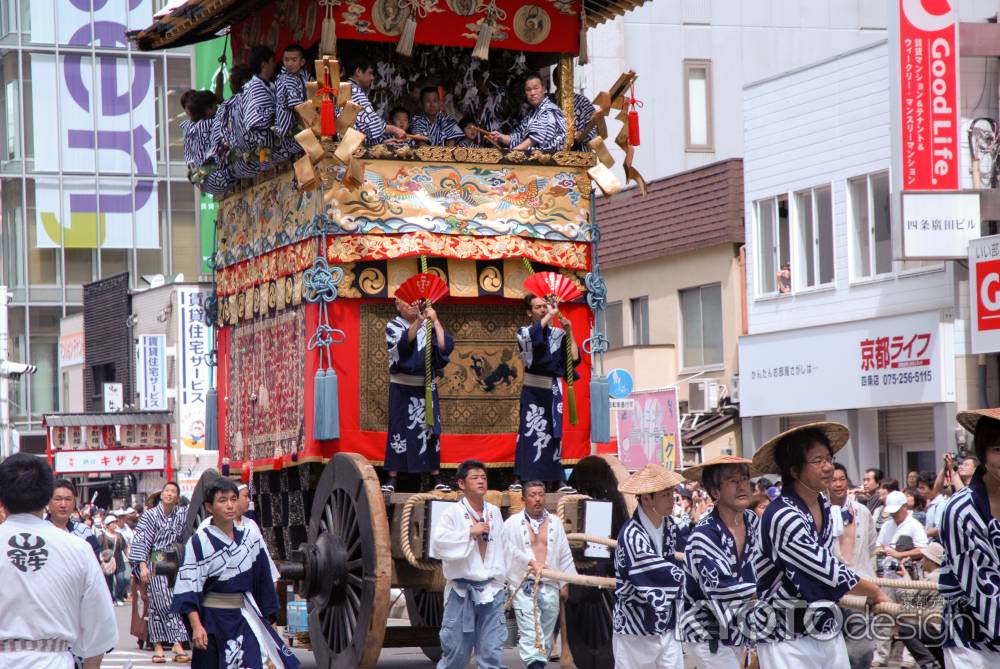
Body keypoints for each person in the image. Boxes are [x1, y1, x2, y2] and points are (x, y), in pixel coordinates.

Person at [750, 423, 889, 668]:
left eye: (829, 458)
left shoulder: (824, 507)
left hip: (824, 623)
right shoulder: (782, 515)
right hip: (785, 633)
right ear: (794, 470)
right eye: (817, 461)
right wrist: (874, 591)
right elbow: (825, 570)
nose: (828, 467)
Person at [0, 453, 118, 669]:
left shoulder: (79, 546)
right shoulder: (77, 549)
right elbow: (100, 627)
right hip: (53, 660)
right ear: (47, 499)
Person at [172, 477, 299, 669]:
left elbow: (263, 581)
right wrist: (197, 626)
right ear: (209, 506)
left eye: (233, 498)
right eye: (222, 500)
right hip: (211, 620)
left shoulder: (251, 539)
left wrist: (269, 619)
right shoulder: (198, 543)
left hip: (244, 615)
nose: (230, 505)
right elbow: (188, 587)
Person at [430, 460, 526, 669]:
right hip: (462, 592)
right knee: (456, 653)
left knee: (491, 651)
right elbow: (438, 544)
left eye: (483, 477)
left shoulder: (494, 511)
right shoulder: (452, 513)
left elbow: (504, 548)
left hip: (492, 590)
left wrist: (517, 576)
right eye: (475, 478)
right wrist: (469, 533)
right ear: (462, 484)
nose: (481, 481)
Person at [680, 455, 758, 669]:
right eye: (732, 480)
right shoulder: (703, 536)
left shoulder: (754, 522)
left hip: (742, 626)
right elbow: (721, 589)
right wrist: (767, 591)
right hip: (705, 629)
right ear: (715, 492)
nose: (742, 485)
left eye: (744, 478)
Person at [938, 409, 1000, 668]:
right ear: (983, 454)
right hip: (971, 643)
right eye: (998, 448)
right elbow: (982, 587)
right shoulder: (962, 509)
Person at [612, 464, 687, 669]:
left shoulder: (672, 526)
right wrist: (696, 579)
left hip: (668, 624)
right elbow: (656, 572)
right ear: (646, 498)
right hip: (635, 627)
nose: (672, 499)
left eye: (672, 493)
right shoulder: (631, 534)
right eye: (665, 495)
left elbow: (691, 548)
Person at [382, 295, 454, 493]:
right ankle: (392, 478)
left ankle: (435, 477)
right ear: (397, 304)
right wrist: (418, 322)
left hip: (425, 387)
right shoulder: (393, 326)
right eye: (407, 300)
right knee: (399, 429)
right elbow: (403, 346)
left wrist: (435, 320)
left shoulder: (429, 326)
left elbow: (444, 347)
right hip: (402, 387)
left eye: (414, 301)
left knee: (430, 431)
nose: (413, 304)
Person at [502, 480, 575, 669]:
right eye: (533, 495)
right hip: (524, 585)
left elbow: (564, 553)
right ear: (523, 499)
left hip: (550, 583)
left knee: (546, 634)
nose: (537, 499)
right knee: (530, 633)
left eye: (541, 494)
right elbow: (506, 550)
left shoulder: (555, 523)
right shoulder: (512, 523)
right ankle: (536, 666)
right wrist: (527, 564)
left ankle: (538, 664)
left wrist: (564, 583)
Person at [512, 295, 579, 493]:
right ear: (529, 312)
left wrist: (569, 330)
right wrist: (549, 316)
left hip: (552, 388)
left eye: (545, 306)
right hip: (533, 389)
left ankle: (557, 479)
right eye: (538, 307)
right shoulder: (523, 332)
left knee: (554, 433)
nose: (543, 309)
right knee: (529, 431)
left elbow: (573, 357)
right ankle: (520, 477)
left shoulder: (558, 333)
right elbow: (533, 339)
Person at [130, 481, 190, 664]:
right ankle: (177, 642)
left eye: (173, 492)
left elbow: (197, 514)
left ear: (177, 497)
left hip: (176, 558)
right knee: (165, 600)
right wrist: (142, 565)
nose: (170, 494)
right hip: (156, 558)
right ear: (162, 494)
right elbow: (141, 542)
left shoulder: (182, 514)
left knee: (157, 606)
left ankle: (158, 646)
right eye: (167, 491)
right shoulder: (149, 516)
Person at [828, 463, 878, 669]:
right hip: (831, 592)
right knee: (831, 651)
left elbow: (870, 547)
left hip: (862, 588)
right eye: (833, 480)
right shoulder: (816, 514)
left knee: (863, 651)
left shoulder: (863, 511)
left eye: (842, 479)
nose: (838, 484)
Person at [198, 482, 279, 582]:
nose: (249, 500)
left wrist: (271, 580)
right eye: (245, 496)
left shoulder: (251, 524)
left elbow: (263, 556)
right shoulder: (208, 525)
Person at [896, 543, 946, 669]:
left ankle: (928, 663)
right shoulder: (943, 575)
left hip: (937, 628)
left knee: (906, 630)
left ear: (931, 560)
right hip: (943, 628)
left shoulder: (934, 577)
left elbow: (906, 597)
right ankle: (933, 664)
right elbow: (920, 600)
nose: (921, 561)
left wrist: (905, 576)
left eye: (924, 558)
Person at [488, 74, 567, 152]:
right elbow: (519, 137)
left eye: (536, 88)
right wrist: (500, 136)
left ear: (543, 89)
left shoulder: (549, 109)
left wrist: (511, 153)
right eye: (528, 89)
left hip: (549, 161)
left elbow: (532, 140)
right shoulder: (531, 114)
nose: (532, 93)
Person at [233, 45, 280, 177]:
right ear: (264, 64)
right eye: (272, 61)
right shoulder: (254, 87)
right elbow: (256, 121)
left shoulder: (264, 85)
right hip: (262, 152)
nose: (275, 65)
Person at [343, 54, 407, 146]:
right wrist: (394, 129)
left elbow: (361, 127)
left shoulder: (345, 87)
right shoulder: (353, 90)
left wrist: (380, 143)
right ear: (358, 71)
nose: (372, 77)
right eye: (370, 73)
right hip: (348, 148)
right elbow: (370, 123)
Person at [207, 64, 250, 194]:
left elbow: (219, 99)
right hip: (254, 157)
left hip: (234, 165)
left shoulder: (227, 105)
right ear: (246, 81)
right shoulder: (250, 97)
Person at [47, 478, 101, 560]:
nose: (63, 504)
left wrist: (106, 566)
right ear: (48, 502)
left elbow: (97, 560)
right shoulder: (37, 532)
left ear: (74, 503)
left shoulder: (84, 531)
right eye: (58, 499)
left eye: (68, 499)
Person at [273, 43, 310, 159]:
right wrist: (310, 134)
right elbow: (299, 109)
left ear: (302, 62)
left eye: (294, 60)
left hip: (301, 126)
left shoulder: (303, 75)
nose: (289, 63)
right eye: (286, 60)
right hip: (289, 134)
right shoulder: (286, 79)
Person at [99, 513, 129, 606]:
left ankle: (119, 597)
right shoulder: (102, 536)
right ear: (107, 525)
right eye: (112, 523)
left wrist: (129, 558)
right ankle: (111, 599)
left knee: (121, 579)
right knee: (109, 581)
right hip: (107, 561)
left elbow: (124, 548)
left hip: (119, 560)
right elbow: (98, 549)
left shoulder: (119, 535)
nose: (114, 524)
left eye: (115, 522)